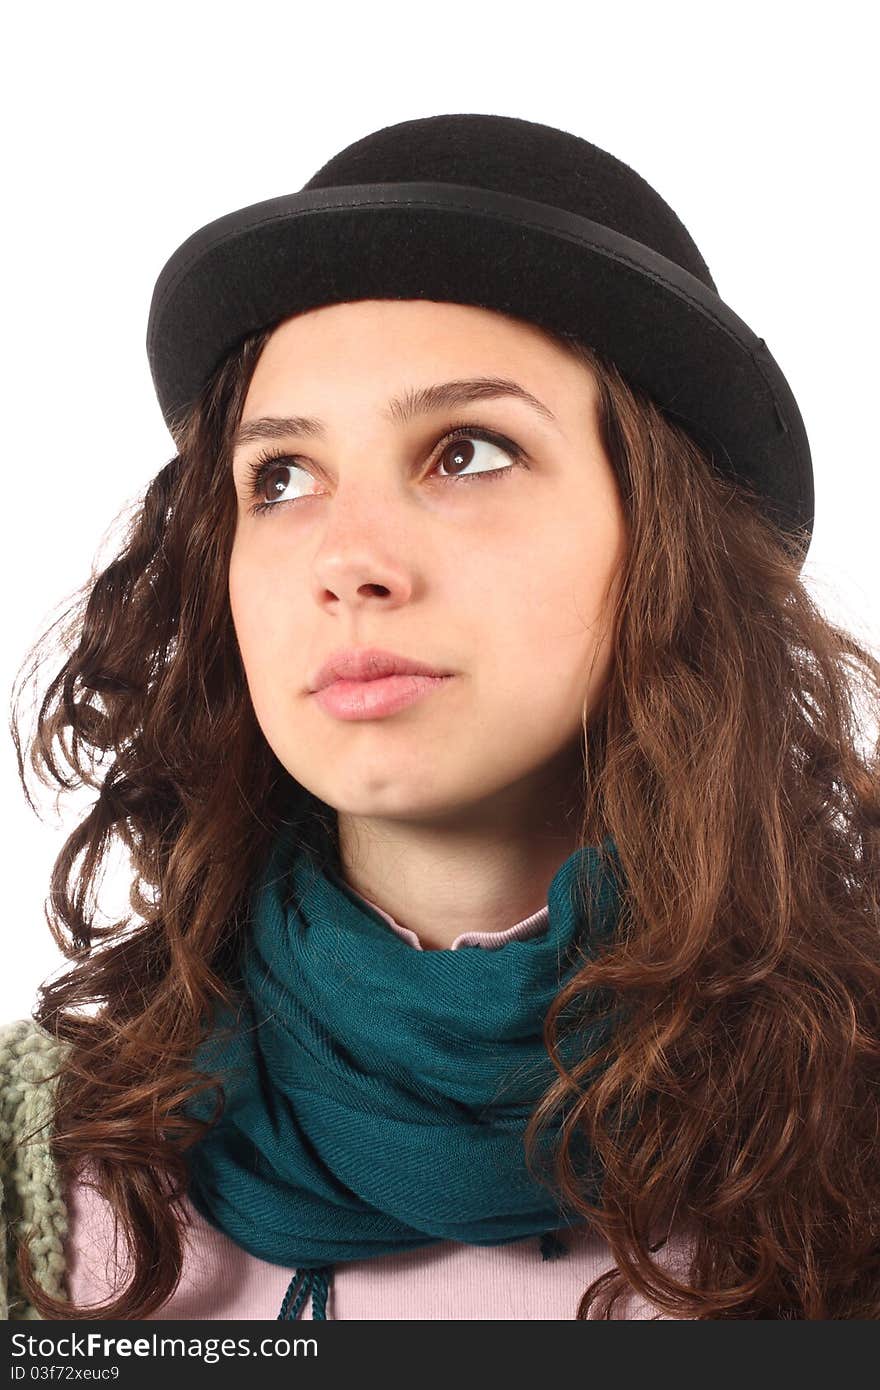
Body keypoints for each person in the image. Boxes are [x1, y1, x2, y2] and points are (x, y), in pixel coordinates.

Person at [2, 113, 878, 1322]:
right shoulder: (44, 1162)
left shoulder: (851, 1123)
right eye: (282, 477)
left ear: (665, 544)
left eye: (465, 450)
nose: (348, 559)